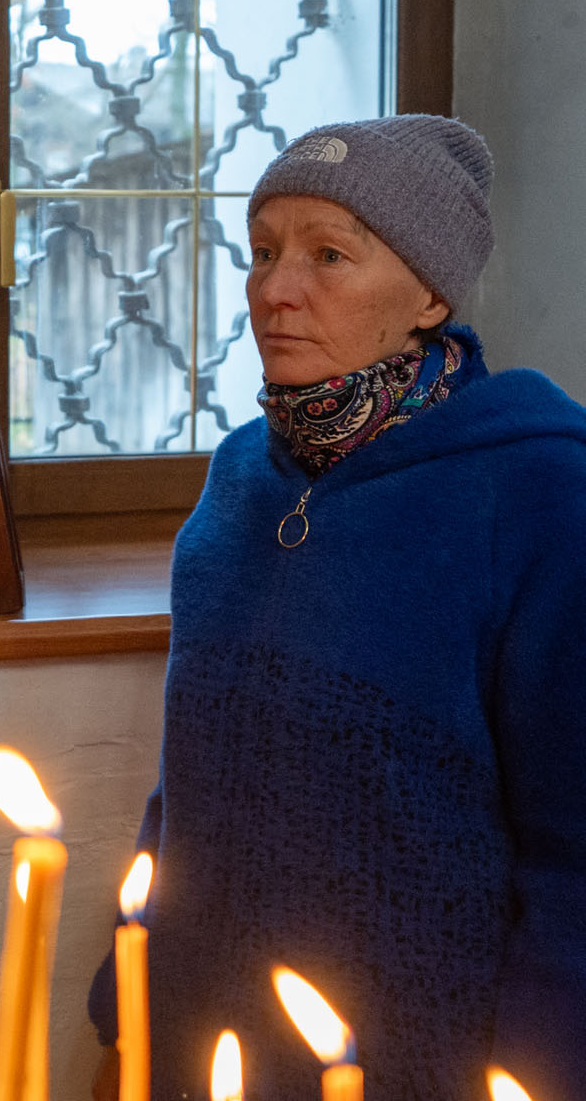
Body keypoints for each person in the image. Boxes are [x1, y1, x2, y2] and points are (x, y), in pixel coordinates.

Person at [87, 116, 586, 1100]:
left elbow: (572, 862)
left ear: (430, 294)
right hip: (201, 1052)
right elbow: (185, 787)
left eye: (328, 255)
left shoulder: (542, 493)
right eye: (263, 251)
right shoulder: (240, 478)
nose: (275, 289)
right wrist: (124, 1013)